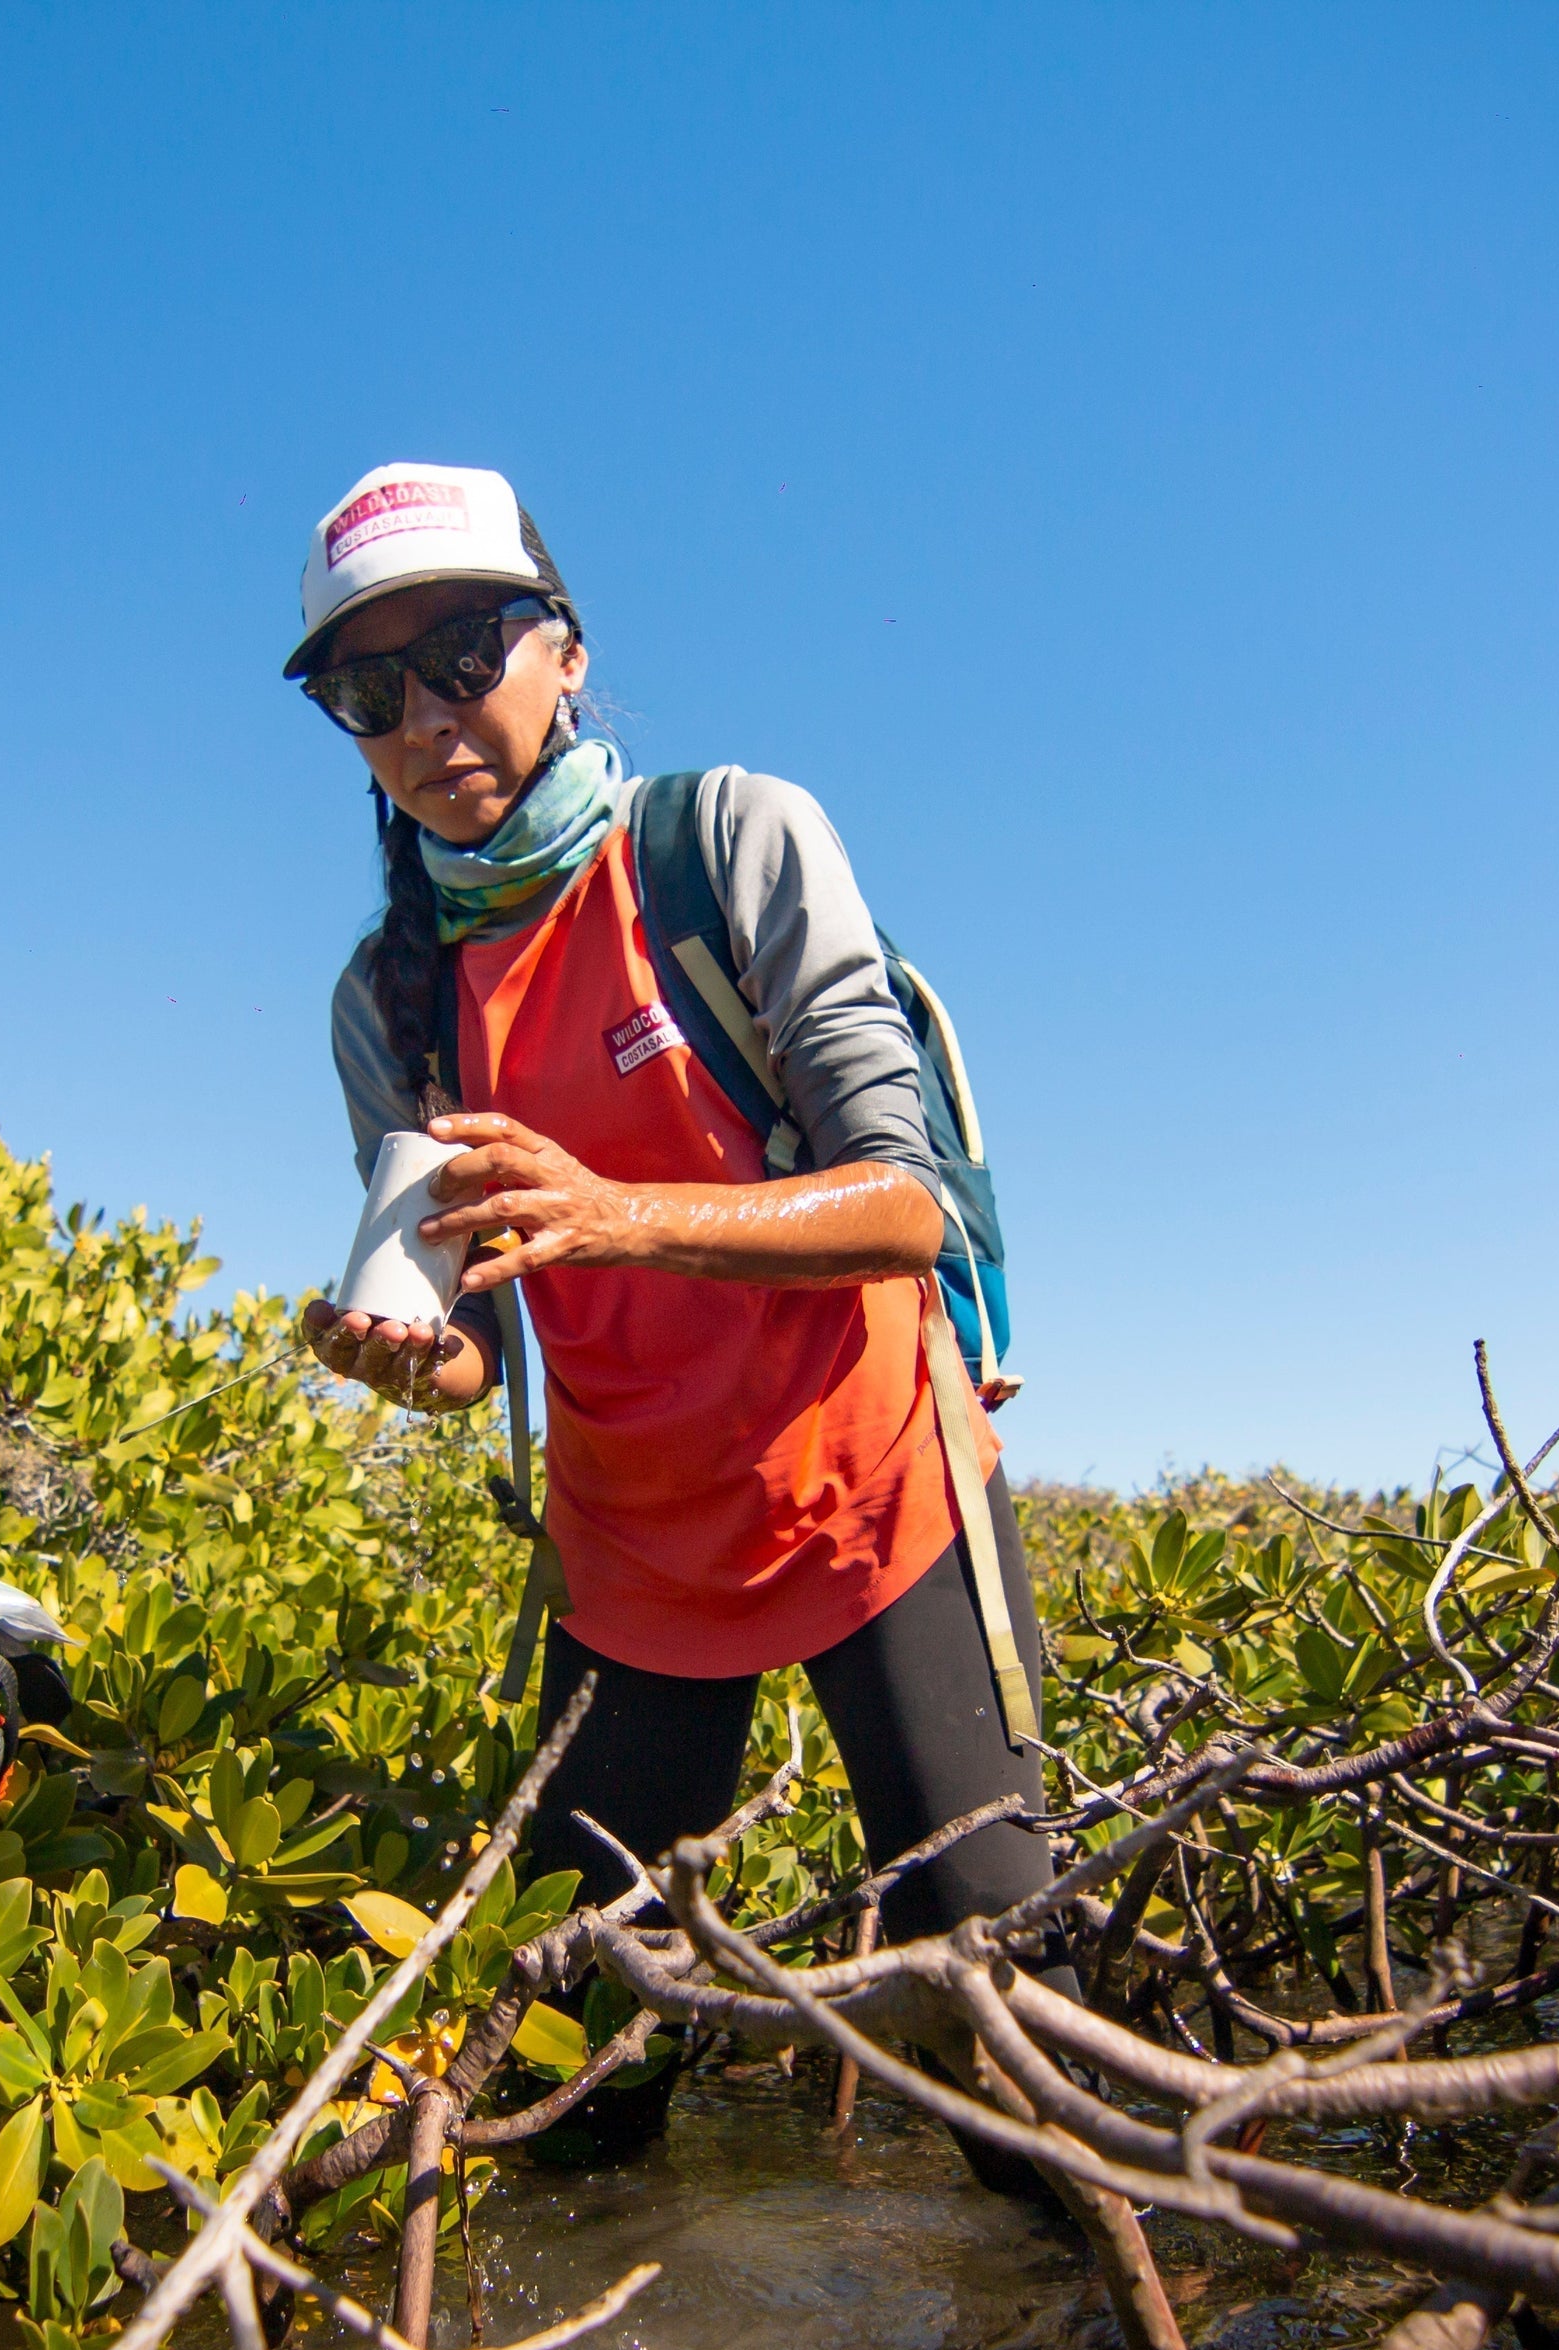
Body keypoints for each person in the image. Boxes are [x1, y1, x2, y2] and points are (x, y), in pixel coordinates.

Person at [283, 461, 1064, 2175]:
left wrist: (619, 1212)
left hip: (881, 1485)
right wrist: (423, 1364)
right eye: (366, 690)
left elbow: (907, 1200)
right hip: (631, 1542)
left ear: (563, 652)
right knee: (578, 2081)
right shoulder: (392, 994)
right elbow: (481, 1321)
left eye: (465, 652)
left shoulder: (729, 844)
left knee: (1014, 2037)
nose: (424, 718)